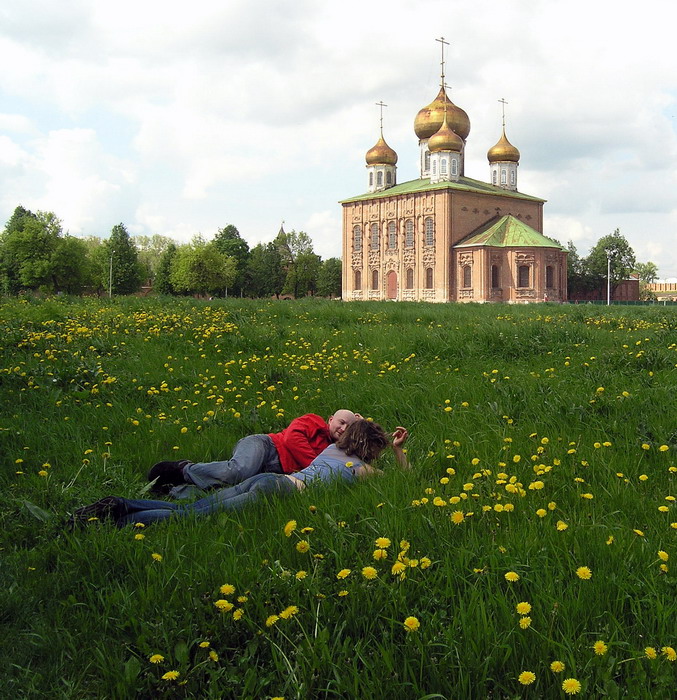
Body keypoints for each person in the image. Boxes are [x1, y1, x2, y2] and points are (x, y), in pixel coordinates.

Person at [70, 420, 409, 528]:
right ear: (372, 449)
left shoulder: (331, 448)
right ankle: (117, 521)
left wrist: (366, 430)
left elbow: (356, 434)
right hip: (278, 493)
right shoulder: (365, 471)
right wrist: (396, 450)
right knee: (191, 518)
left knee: (191, 511)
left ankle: (118, 504)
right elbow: (403, 480)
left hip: (268, 481)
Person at [148, 409, 359, 498]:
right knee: (237, 472)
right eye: (341, 422)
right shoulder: (313, 421)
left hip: (272, 471)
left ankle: (174, 491)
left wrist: (359, 424)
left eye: (348, 428)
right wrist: (312, 465)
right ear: (331, 419)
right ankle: (183, 469)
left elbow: (357, 453)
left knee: (230, 491)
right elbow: (291, 438)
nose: (342, 429)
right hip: (266, 446)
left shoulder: (333, 450)